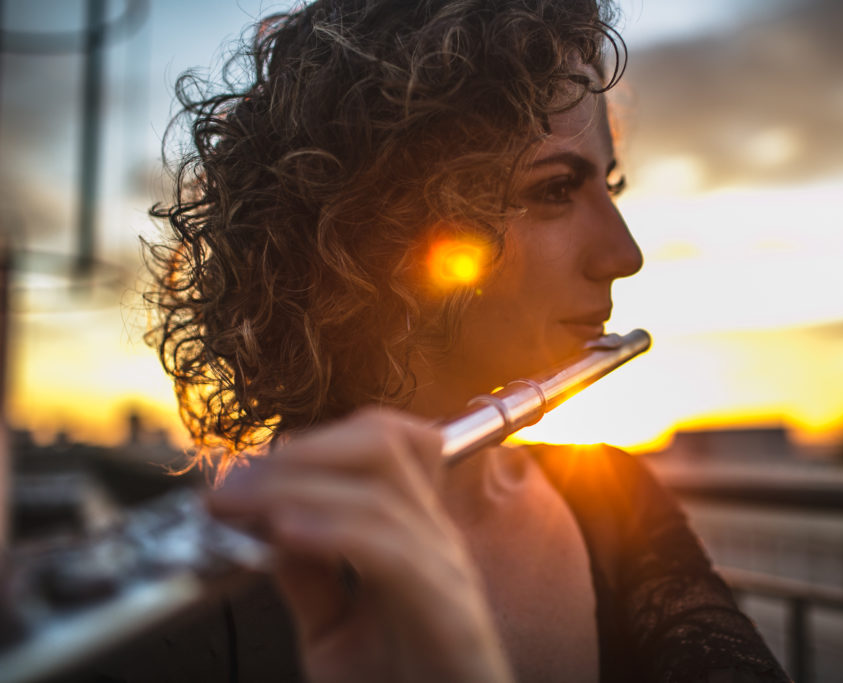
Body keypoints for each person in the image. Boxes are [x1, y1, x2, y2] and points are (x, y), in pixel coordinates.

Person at [136, 1, 792, 681]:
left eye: (610, 183)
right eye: (556, 189)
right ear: (386, 235)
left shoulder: (617, 500)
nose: (624, 253)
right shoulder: (204, 602)